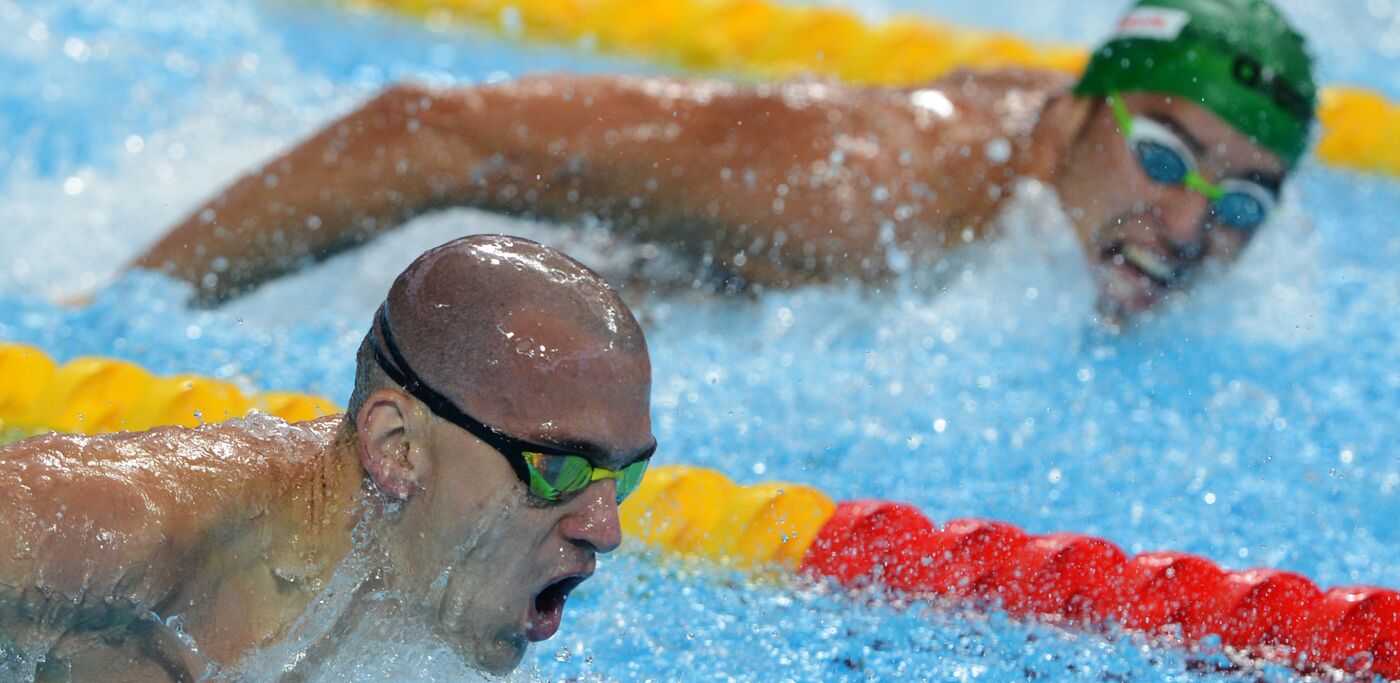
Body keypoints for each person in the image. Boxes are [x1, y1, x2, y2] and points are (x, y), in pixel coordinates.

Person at [125, 0, 1316, 319]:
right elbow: (428, 127)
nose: (1187, 228)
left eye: (1241, 205)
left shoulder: (1068, 194)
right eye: (1164, 159)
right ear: (1066, 127)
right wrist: (106, 325)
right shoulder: (864, 193)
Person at [0, 235, 655, 683]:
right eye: (556, 466)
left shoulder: (434, 608)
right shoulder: (120, 535)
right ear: (396, 449)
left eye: (624, 475)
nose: (606, 528)